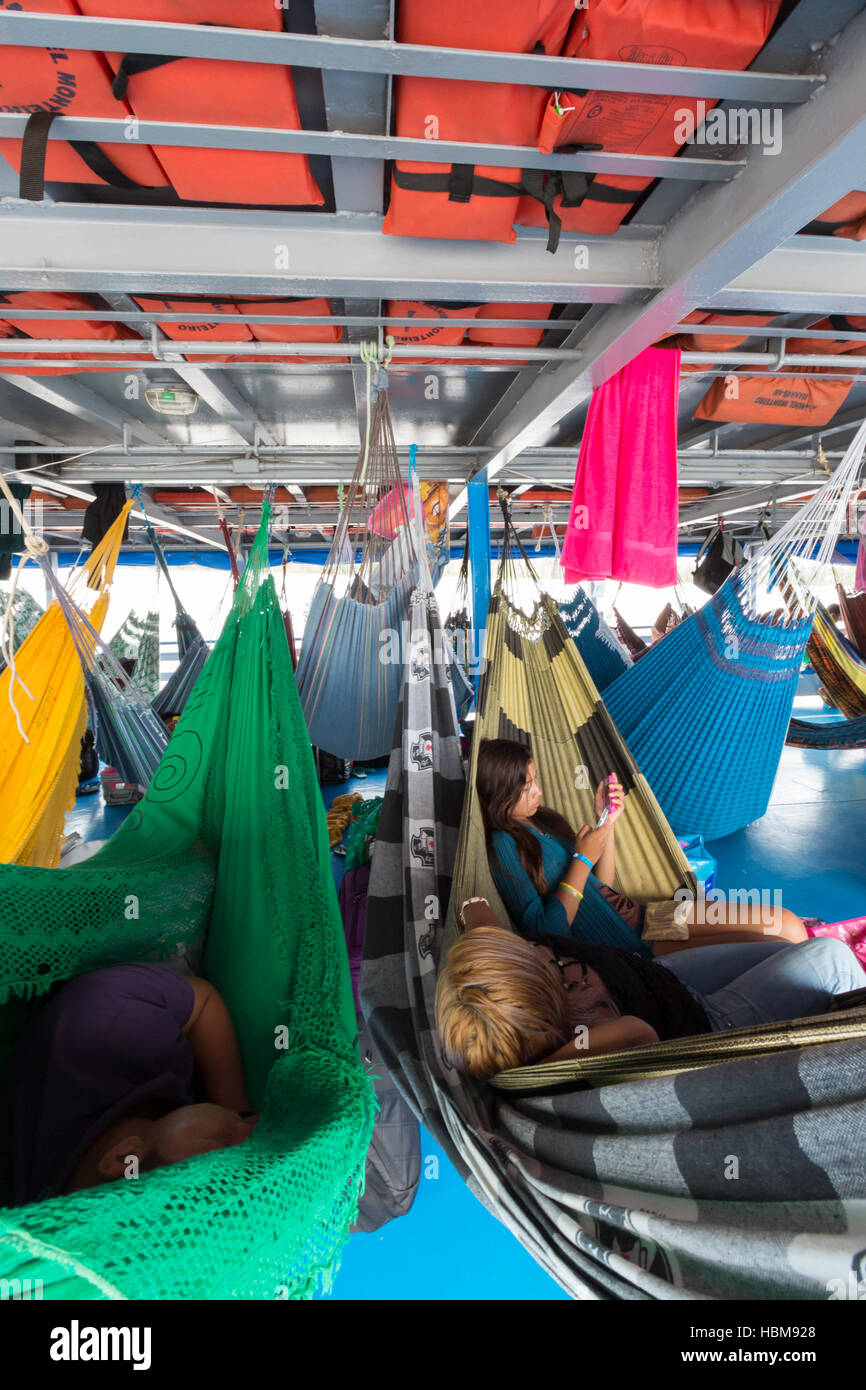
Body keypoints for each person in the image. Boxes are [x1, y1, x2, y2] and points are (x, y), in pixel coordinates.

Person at [436, 901, 865, 1080]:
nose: (535, 947)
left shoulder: (508, 977)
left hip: (659, 976)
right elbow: (636, 1033)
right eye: (542, 961)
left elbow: (486, 928)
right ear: (545, 1001)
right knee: (831, 956)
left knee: (781, 940)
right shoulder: (585, 1036)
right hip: (706, 1020)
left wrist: (477, 915)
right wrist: (534, 1068)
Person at [476, 737, 809, 958]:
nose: (539, 791)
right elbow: (546, 933)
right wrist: (581, 858)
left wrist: (608, 822)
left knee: (787, 923)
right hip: (637, 945)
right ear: (500, 789)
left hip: (649, 916)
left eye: (536, 779)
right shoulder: (503, 843)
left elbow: (604, 884)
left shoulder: (542, 821)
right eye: (526, 784)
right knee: (777, 946)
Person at [0, 962, 257, 1208]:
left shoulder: (104, 1023)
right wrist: (235, 1109)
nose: (258, 1127)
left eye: (226, 1144)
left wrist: (235, 1112)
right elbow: (202, 1004)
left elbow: (202, 1002)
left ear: (125, 1156)